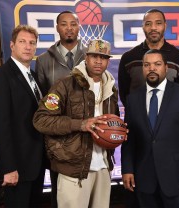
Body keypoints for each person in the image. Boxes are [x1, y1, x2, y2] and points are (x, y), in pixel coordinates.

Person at [33, 39, 119, 208]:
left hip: (103, 166)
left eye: (103, 57)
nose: (98, 61)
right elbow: (41, 120)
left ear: (108, 60)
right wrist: (80, 124)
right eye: (94, 56)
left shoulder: (111, 88)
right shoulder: (64, 85)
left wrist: (117, 132)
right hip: (74, 168)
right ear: (86, 58)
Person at [121, 49, 179, 208]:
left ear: (166, 68)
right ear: (143, 69)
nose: (152, 68)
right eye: (147, 65)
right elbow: (129, 140)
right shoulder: (133, 99)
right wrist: (127, 169)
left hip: (177, 177)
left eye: (157, 64)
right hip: (144, 178)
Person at [0, 25, 44, 207]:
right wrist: (9, 167)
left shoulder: (34, 77)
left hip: (37, 163)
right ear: (12, 45)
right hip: (17, 166)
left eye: (32, 43)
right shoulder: (0, 75)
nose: (28, 47)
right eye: (22, 42)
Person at [35, 10, 87, 207]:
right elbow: (43, 102)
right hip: (59, 136)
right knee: (60, 190)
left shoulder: (92, 56)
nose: (69, 28)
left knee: (87, 186)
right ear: (57, 28)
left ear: (79, 27)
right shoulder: (43, 60)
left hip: (86, 131)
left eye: (73, 24)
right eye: (64, 24)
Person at [118, 8, 179, 107]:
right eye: (148, 24)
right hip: (136, 119)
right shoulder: (129, 58)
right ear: (142, 27)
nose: (153, 28)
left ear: (165, 25)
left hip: (169, 121)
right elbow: (124, 95)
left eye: (158, 23)